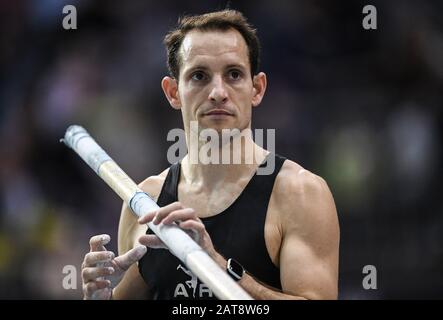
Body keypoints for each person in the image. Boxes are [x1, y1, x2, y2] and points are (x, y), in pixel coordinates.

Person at [80, 9, 340, 300]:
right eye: (199, 76)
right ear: (173, 92)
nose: (218, 92)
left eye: (233, 74)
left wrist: (219, 267)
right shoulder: (145, 203)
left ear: (257, 88)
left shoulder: (300, 194)